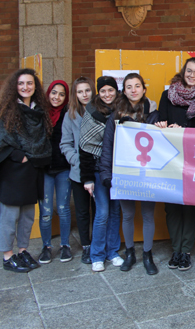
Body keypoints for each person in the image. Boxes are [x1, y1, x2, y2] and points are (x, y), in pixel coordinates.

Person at [0, 69, 52, 272]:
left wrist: (33, 157)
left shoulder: (38, 110)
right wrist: (19, 156)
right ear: (15, 86)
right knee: (9, 215)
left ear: (35, 86)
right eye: (21, 83)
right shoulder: (8, 110)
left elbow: (42, 140)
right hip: (13, 172)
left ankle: (22, 251)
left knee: (28, 216)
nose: (25, 87)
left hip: (32, 170)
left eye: (30, 83)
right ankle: (7, 256)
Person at [100, 73, 160, 275]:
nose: (133, 90)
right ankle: (130, 253)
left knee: (147, 215)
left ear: (144, 89)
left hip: (147, 173)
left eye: (137, 86)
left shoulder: (154, 113)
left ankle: (147, 254)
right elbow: (107, 146)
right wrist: (106, 174)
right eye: (129, 86)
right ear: (123, 91)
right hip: (124, 173)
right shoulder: (115, 116)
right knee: (127, 215)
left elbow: (161, 145)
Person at [157, 57, 195, 271]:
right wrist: (164, 125)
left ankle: (186, 251)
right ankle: (176, 249)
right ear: (183, 71)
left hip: (193, 159)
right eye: (189, 71)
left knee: (189, 207)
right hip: (170, 158)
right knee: (171, 207)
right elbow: (161, 121)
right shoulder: (167, 95)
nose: (192, 75)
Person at [80, 76, 122, 272]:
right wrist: (87, 178)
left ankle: (112, 252)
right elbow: (85, 147)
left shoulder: (122, 109)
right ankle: (96, 255)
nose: (107, 94)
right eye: (103, 91)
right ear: (98, 92)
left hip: (119, 169)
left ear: (116, 91)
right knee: (102, 212)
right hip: (97, 170)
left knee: (115, 212)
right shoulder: (91, 111)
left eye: (111, 90)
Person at [60, 77, 96, 264]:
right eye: (80, 91)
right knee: (82, 211)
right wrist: (76, 161)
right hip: (78, 172)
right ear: (75, 94)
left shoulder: (100, 111)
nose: (84, 95)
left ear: (93, 91)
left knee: (99, 211)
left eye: (87, 90)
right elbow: (65, 143)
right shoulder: (70, 115)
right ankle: (86, 246)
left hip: (97, 170)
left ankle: (98, 244)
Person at [38, 80, 72, 264]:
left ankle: (65, 245)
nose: (56, 97)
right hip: (44, 170)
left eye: (61, 94)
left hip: (63, 169)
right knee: (46, 210)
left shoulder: (69, 114)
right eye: (54, 93)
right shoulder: (40, 114)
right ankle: (46, 246)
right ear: (48, 93)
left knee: (63, 208)